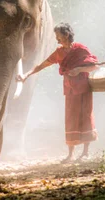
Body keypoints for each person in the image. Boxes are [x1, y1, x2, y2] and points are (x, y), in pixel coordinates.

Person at [17, 22, 100, 163]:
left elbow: (94, 66)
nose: (57, 40)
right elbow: (42, 65)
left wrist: (79, 70)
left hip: (84, 88)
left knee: (85, 116)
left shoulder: (80, 49)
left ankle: (85, 153)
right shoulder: (59, 52)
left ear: (66, 35)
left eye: (58, 36)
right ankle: (70, 154)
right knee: (70, 119)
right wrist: (26, 75)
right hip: (70, 90)